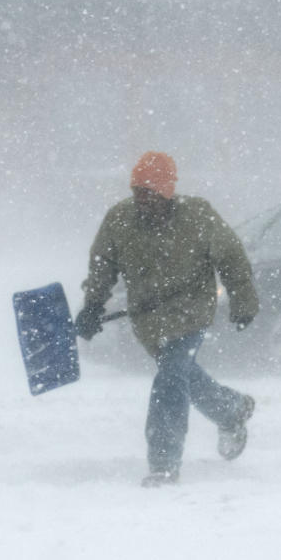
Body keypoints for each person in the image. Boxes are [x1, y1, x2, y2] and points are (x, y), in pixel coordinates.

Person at [75, 151, 259, 487]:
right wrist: (91, 307)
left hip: (191, 311)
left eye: (150, 192)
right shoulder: (120, 220)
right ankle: (231, 410)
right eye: (137, 192)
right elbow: (102, 267)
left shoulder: (197, 216)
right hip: (149, 320)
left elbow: (231, 257)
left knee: (170, 379)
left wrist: (243, 300)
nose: (142, 200)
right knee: (181, 374)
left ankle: (163, 463)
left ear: (166, 191)